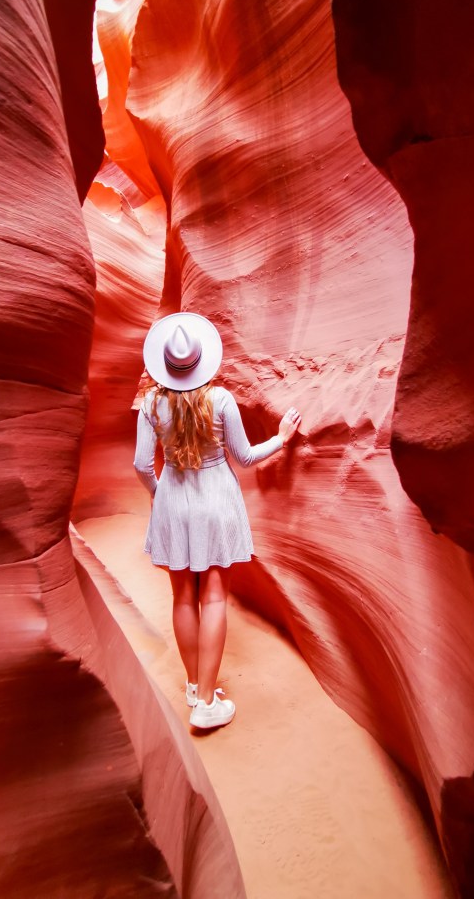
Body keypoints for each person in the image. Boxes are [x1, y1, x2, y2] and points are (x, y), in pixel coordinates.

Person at [134, 312, 301, 730]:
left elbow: (140, 464)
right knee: (212, 598)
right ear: (201, 362)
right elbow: (243, 458)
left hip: (174, 498)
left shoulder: (152, 403)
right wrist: (280, 438)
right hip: (216, 500)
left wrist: (160, 494)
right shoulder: (221, 400)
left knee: (182, 598)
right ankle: (207, 702)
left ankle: (194, 687)